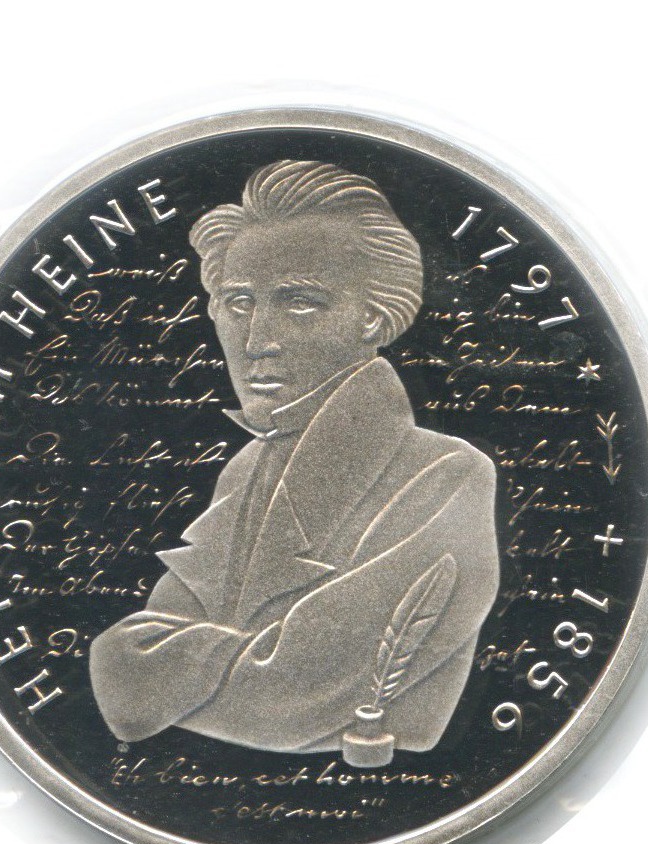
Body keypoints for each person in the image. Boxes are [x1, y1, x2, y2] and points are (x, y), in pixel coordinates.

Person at [90, 160, 499, 758]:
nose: (256, 339)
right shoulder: (247, 466)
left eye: (299, 303)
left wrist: (176, 671)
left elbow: (284, 697)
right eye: (238, 303)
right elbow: (126, 679)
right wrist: (208, 668)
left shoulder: (447, 475)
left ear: (373, 318)